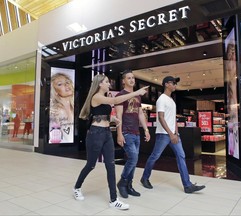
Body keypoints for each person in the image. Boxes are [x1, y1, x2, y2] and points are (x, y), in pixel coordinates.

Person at [73, 73, 148, 210]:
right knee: (91, 165)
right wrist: (136, 92)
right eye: (107, 82)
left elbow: (101, 114)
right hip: (95, 134)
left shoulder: (105, 97)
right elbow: (115, 102)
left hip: (107, 133)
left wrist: (113, 120)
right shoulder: (96, 97)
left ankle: (114, 199)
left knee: (111, 165)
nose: (109, 84)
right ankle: (77, 187)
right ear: (100, 84)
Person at [140, 76, 206, 194]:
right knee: (155, 156)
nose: (175, 85)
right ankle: (145, 178)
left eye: (176, 83)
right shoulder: (162, 99)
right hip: (163, 134)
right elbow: (161, 117)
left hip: (173, 135)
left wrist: (176, 133)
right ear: (166, 84)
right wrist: (170, 134)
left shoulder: (171, 100)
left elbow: (173, 119)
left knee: (181, 156)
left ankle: (187, 185)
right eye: (173, 83)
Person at [115, 70, 151, 198]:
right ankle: (122, 182)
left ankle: (129, 186)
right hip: (126, 132)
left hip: (136, 132)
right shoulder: (120, 95)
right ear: (123, 81)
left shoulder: (138, 96)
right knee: (133, 158)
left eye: (133, 78)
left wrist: (146, 130)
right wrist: (119, 134)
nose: (132, 80)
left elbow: (140, 113)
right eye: (129, 78)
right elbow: (118, 115)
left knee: (133, 160)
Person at [49, 72, 74, 143]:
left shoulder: (75, 106)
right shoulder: (55, 111)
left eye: (67, 82)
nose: (66, 85)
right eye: (60, 84)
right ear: (55, 91)